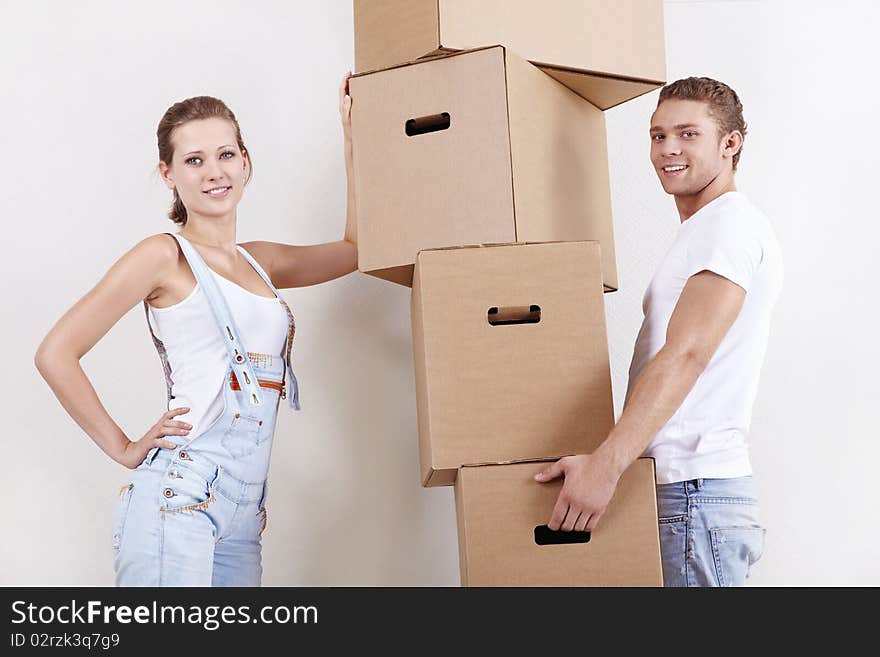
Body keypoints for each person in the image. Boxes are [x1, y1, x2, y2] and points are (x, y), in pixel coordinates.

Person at [34, 73, 358, 586]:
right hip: (180, 497)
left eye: (226, 155)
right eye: (194, 160)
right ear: (168, 175)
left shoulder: (262, 261)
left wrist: (352, 136)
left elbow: (356, 250)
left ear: (246, 161)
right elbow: (56, 353)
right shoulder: (162, 256)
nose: (214, 172)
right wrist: (123, 447)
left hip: (245, 515)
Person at [534, 77, 783, 587]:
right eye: (657, 135)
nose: (668, 149)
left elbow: (687, 353)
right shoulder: (704, 231)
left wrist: (605, 468)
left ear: (730, 143)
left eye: (688, 134)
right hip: (685, 493)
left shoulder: (728, 226)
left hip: (693, 491)